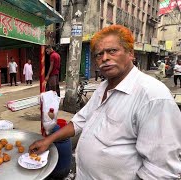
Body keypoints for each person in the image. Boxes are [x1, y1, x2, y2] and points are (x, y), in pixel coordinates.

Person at [29, 25, 181, 179]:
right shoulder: (104, 87)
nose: (105, 58)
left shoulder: (153, 97)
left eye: (112, 51)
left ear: (130, 53)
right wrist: (48, 140)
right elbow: (80, 121)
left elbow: (161, 171)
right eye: (99, 54)